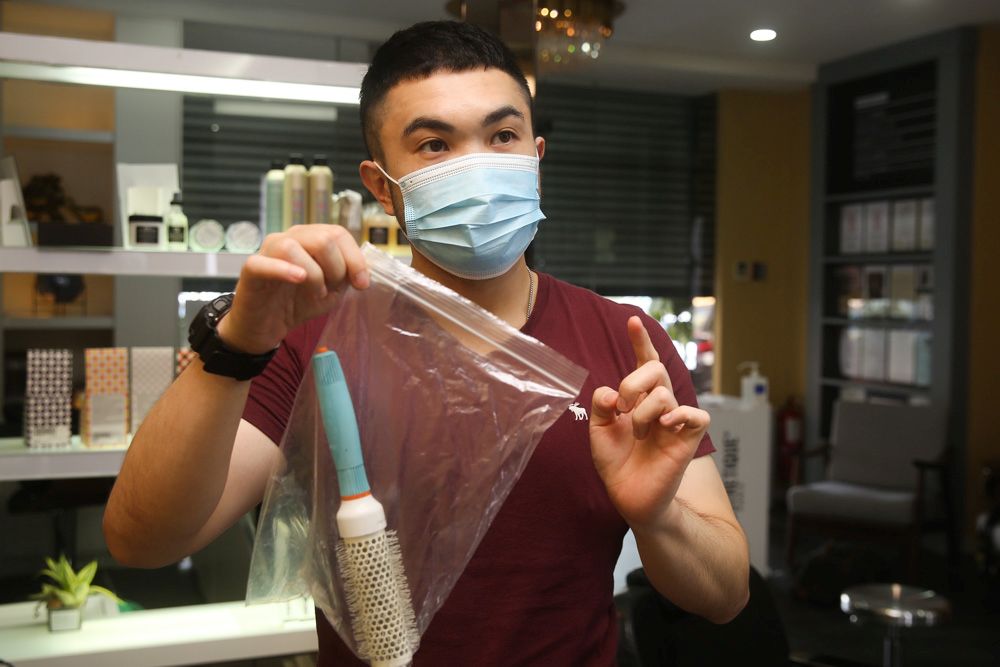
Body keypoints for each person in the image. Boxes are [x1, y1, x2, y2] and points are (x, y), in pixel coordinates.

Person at [104, 20, 749, 666]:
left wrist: (658, 515)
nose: (479, 165)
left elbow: (726, 596)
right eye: (435, 145)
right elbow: (142, 539)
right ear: (382, 186)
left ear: (537, 157)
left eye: (502, 136)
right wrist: (235, 342)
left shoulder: (625, 345)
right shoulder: (314, 335)